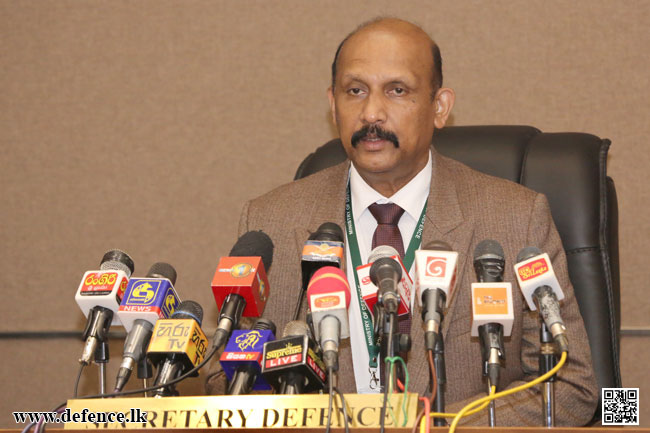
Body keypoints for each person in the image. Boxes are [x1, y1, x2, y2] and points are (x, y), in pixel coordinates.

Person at [206, 17, 598, 426]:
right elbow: (224, 378)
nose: (371, 112)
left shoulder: (517, 218)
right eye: (354, 91)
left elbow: (573, 385)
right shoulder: (270, 222)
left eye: (397, 91)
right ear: (332, 104)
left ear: (440, 106)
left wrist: (438, 428)